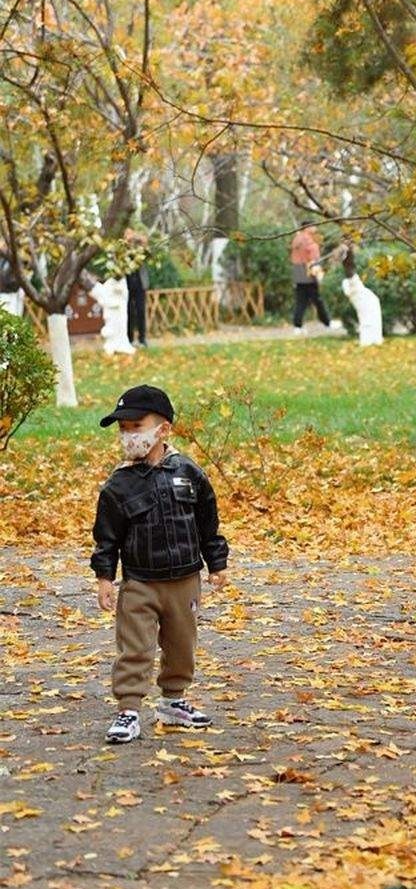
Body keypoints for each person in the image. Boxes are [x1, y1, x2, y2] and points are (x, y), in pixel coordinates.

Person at [90, 384, 229, 744]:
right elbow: (107, 538)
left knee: (181, 644)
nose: (128, 436)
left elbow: (207, 525)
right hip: (139, 582)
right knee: (135, 647)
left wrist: (217, 563)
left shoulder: (189, 473)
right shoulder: (118, 486)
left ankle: (174, 702)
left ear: (162, 429)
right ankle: (129, 710)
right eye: (123, 429)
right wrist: (105, 577)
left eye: (136, 426)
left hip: (184, 580)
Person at [290, 218, 333, 333]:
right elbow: (314, 258)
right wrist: (319, 274)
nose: (316, 228)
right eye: (314, 226)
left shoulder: (296, 239)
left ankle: (297, 326)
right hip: (309, 271)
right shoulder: (309, 241)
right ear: (307, 227)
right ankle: (327, 322)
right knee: (317, 299)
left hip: (298, 270)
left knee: (301, 300)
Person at [123, 228, 149, 348]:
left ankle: (142, 338)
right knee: (128, 312)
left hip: (140, 284)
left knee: (140, 311)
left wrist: (136, 238)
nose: (130, 238)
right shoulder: (122, 249)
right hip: (126, 284)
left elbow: (146, 244)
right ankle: (129, 339)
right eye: (127, 235)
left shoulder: (140, 249)